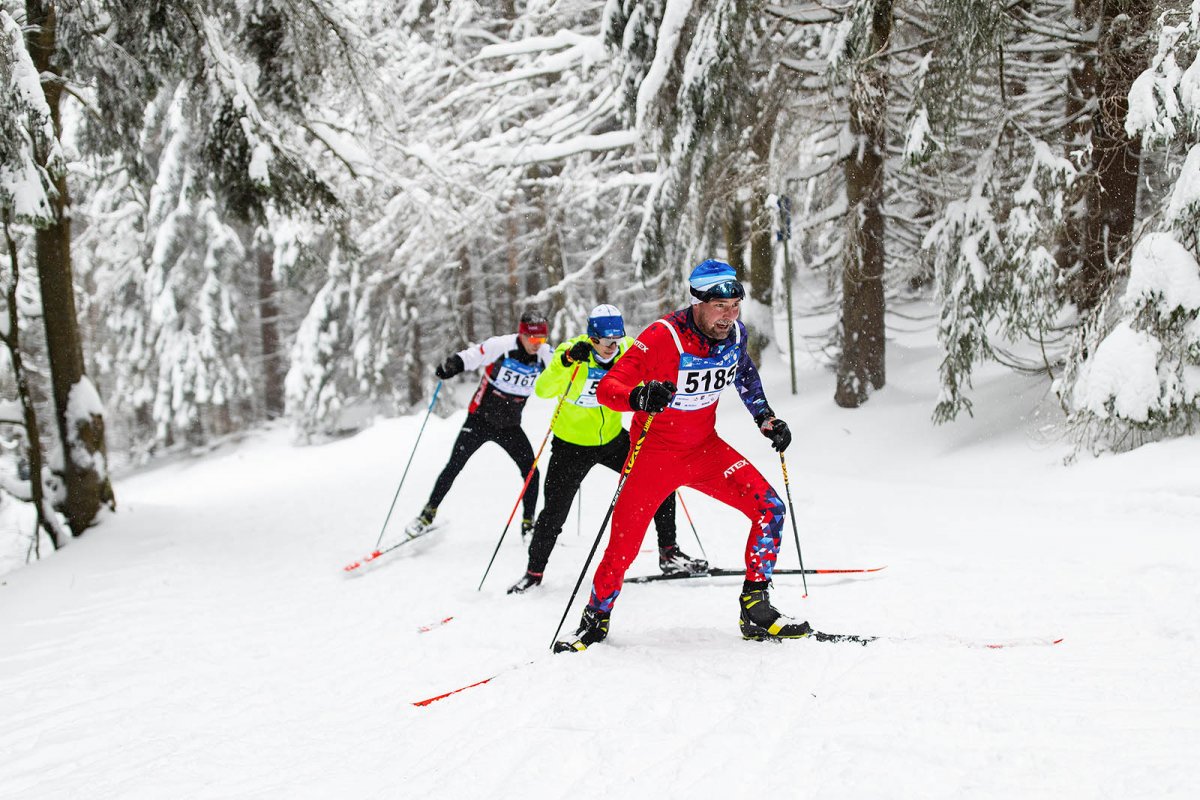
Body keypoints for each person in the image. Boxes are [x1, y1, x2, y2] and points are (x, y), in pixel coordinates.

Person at [554, 260, 802, 652]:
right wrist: (637, 397)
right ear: (698, 301)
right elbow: (609, 388)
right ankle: (595, 620)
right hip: (653, 457)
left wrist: (766, 419)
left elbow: (745, 375)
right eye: (720, 307)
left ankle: (755, 610)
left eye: (735, 305)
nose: (729, 316)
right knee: (623, 547)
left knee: (771, 508)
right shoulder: (662, 336)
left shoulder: (735, 335)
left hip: (706, 451)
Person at [506, 305, 708, 595]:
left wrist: (658, 388)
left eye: (617, 340)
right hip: (570, 446)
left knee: (661, 482)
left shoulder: (628, 349)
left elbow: (646, 376)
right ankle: (533, 572)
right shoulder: (573, 352)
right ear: (593, 338)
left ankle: (669, 554)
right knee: (554, 513)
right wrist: (564, 362)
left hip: (613, 439)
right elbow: (542, 390)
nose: (613, 347)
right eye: (607, 341)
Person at [405, 311, 553, 537]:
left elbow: (565, 371)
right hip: (480, 420)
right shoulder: (501, 346)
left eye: (541, 339)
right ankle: (426, 515)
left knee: (531, 472)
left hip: (510, 427)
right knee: (454, 466)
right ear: (521, 334)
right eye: (532, 339)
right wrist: (454, 364)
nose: (536, 344)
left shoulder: (545, 355)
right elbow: (473, 355)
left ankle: (528, 525)